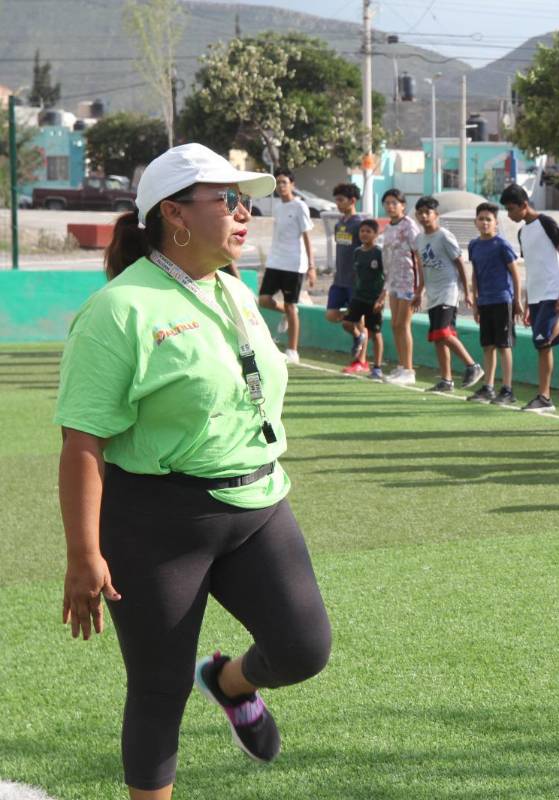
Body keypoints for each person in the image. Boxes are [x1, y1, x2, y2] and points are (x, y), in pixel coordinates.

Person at [55, 143, 331, 800]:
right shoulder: (120, 311)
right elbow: (82, 442)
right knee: (158, 689)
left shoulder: (234, 288)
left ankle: (232, 684)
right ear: (175, 216)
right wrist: (83, 554)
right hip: (158, 522)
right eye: (228, 200)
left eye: (246, 201)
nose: (244, 213)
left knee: (303, 648)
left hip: (259, 502)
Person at [499, 184, 559, 412]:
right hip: (537, 295)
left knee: (544, 340)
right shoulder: (522, 232)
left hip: (553, 292)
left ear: (524, 205)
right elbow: (532, 266)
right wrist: (528, 302)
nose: (510, 215)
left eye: (511, 209)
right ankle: (544, 397)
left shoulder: (546, 222)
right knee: (542, 347)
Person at [414, 196, 483, 393]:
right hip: (433, 293)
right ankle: (446, 380)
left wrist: (467, 292)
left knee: (444, 332)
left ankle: (472, 366)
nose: (424, 216)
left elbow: (460, 263)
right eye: (420, 213)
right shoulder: (419, 239)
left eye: (428, 212)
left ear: (436, 215)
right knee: (438, 337)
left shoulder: (444, 236)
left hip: (448, 290)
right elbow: (422, 268)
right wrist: (419, 292)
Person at [467, 202, 523, 405]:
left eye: (488, 219)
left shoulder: (502, 245)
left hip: (502, 300)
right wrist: (475, 302)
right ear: (475, 222)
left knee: (504, 345)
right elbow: (475, 274)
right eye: (481, 219)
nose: (484, 223)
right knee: (487, 346)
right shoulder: (474, 245)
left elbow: (515, 274)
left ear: (496, 223)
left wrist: (517, 300)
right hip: (485, 302)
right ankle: (488, 388)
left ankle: (507, 390)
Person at [257, 169, 314, 364]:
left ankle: (292, 351)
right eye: (278, 183)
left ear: (292, 185)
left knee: (291, 305)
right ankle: (288, 314)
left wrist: (312, 267)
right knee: (263, 300)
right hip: (275, 261)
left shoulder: (300, 206)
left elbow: (307, 236)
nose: (281, 186)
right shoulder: (278, 207)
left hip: (294, 264)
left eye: (284, 182)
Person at [379, 189, 422, 385]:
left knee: (404, 324)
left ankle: (409, 370)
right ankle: (401, 365)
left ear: (403, 205)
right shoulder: (388, 228)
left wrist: (420, 286)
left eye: (394, 203)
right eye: (387, 203)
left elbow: (419, 255)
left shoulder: (409, 226)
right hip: (393, 281)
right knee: (395, 324)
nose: (390, 206)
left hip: (408, 281)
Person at [341, 219, 387, 379]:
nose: (364, 234)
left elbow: (387, 277)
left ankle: (377, 367)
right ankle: (358, 336)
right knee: (347, 323)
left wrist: (381, 298)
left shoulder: (379, 253)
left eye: (368, 231)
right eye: (362, 231)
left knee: (375, 333)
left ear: (376, 234)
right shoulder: (357, 252)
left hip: (374, 299)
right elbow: (356, 275)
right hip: (358, 296)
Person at [325, 183, 366, 360]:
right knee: (331, 315)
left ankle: (361, 360)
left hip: (355, 282)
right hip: (339, 280)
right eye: (336, 200)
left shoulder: (361, 225)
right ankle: (358, 336)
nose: (337, 204)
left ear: (352, 201)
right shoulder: (339, 224)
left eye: (341, 200)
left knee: (359, 320)